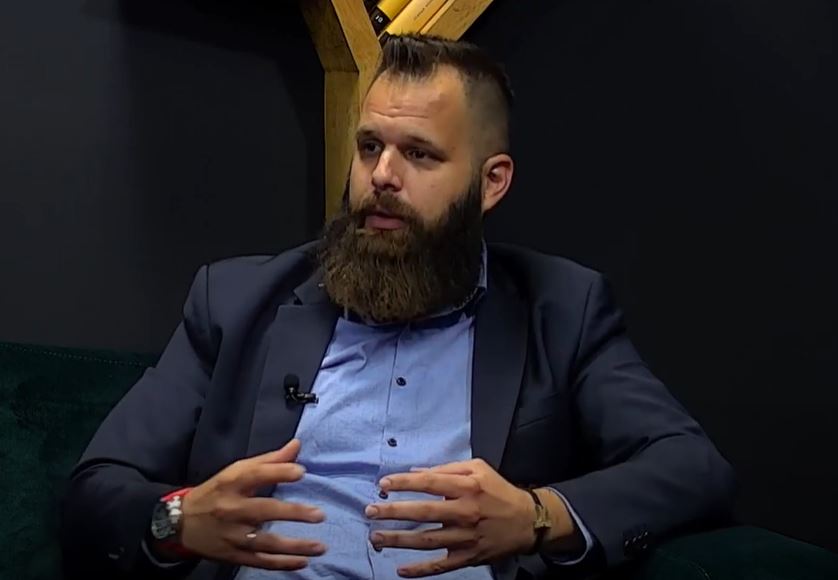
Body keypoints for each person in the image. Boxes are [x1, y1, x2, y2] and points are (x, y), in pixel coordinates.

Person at [60, 34, 735, 580]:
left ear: (491, 182)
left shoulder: (562, 309)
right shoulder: (236, 300)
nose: (382, 175)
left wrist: (537, 516)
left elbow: (691, 466)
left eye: (419, 154)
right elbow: (96, 489)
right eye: (369, 147)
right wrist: (179, 520)